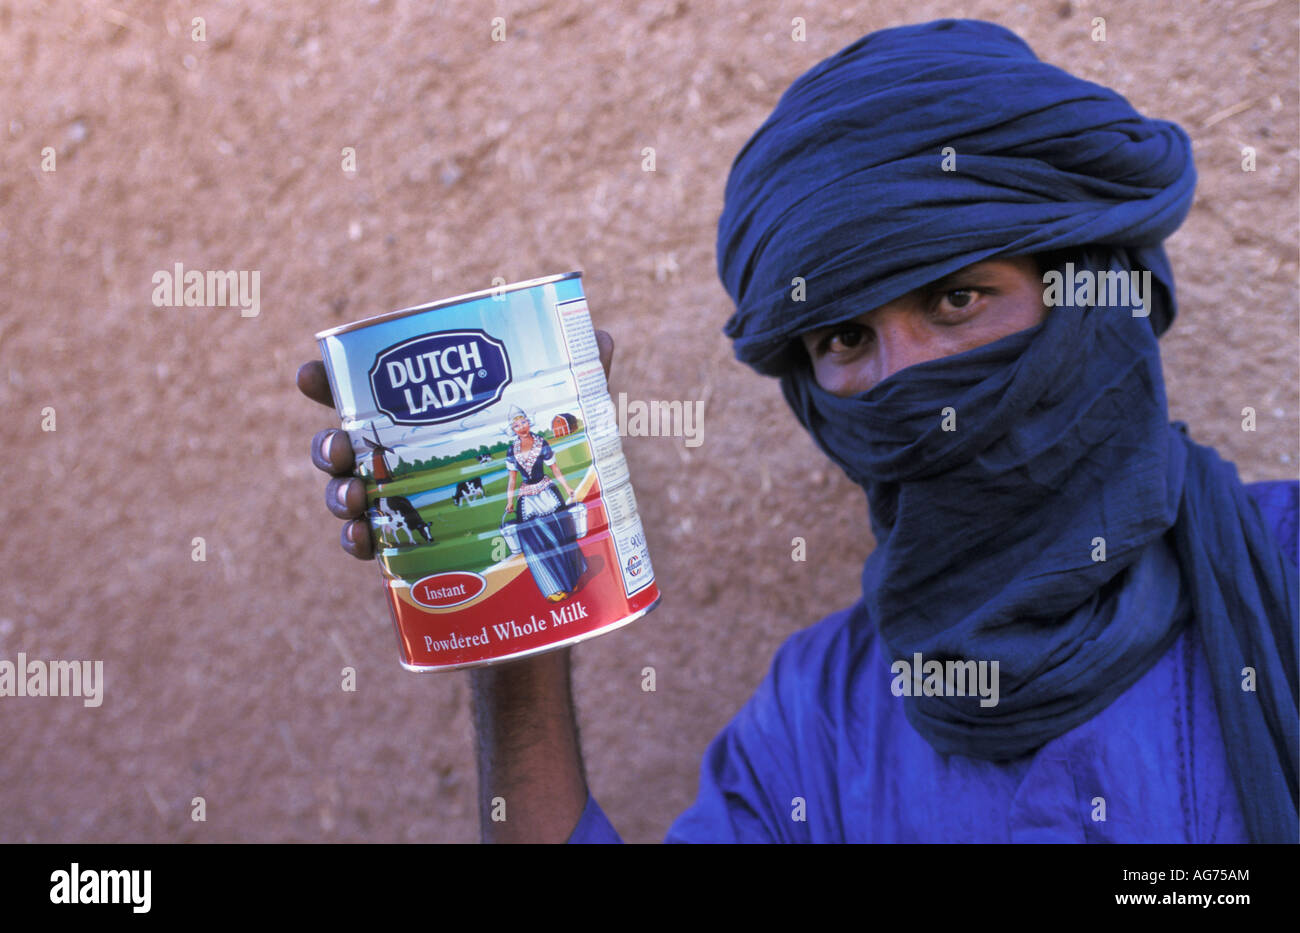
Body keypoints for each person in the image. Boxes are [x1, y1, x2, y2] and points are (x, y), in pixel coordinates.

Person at [299, 19, 1297, 843]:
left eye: (956, 299)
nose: (903, 379)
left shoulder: (1281, 581)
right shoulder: (814, 724)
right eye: (847, 336)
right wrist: (509, 630)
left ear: (1091, 294)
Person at [501, 407, 586, 602]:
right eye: (516, 425)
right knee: (534, 543)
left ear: (529, 423)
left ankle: (570, 577)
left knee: (560, 536)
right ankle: (553, 586)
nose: (521, 427)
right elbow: (512, 480)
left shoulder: (541, 443)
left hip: (547, 493)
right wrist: (509, 502)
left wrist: (568, 488)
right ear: (513, 429)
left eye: (523, 423)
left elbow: (555, 469)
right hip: (527, 499)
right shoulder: (511, 450)